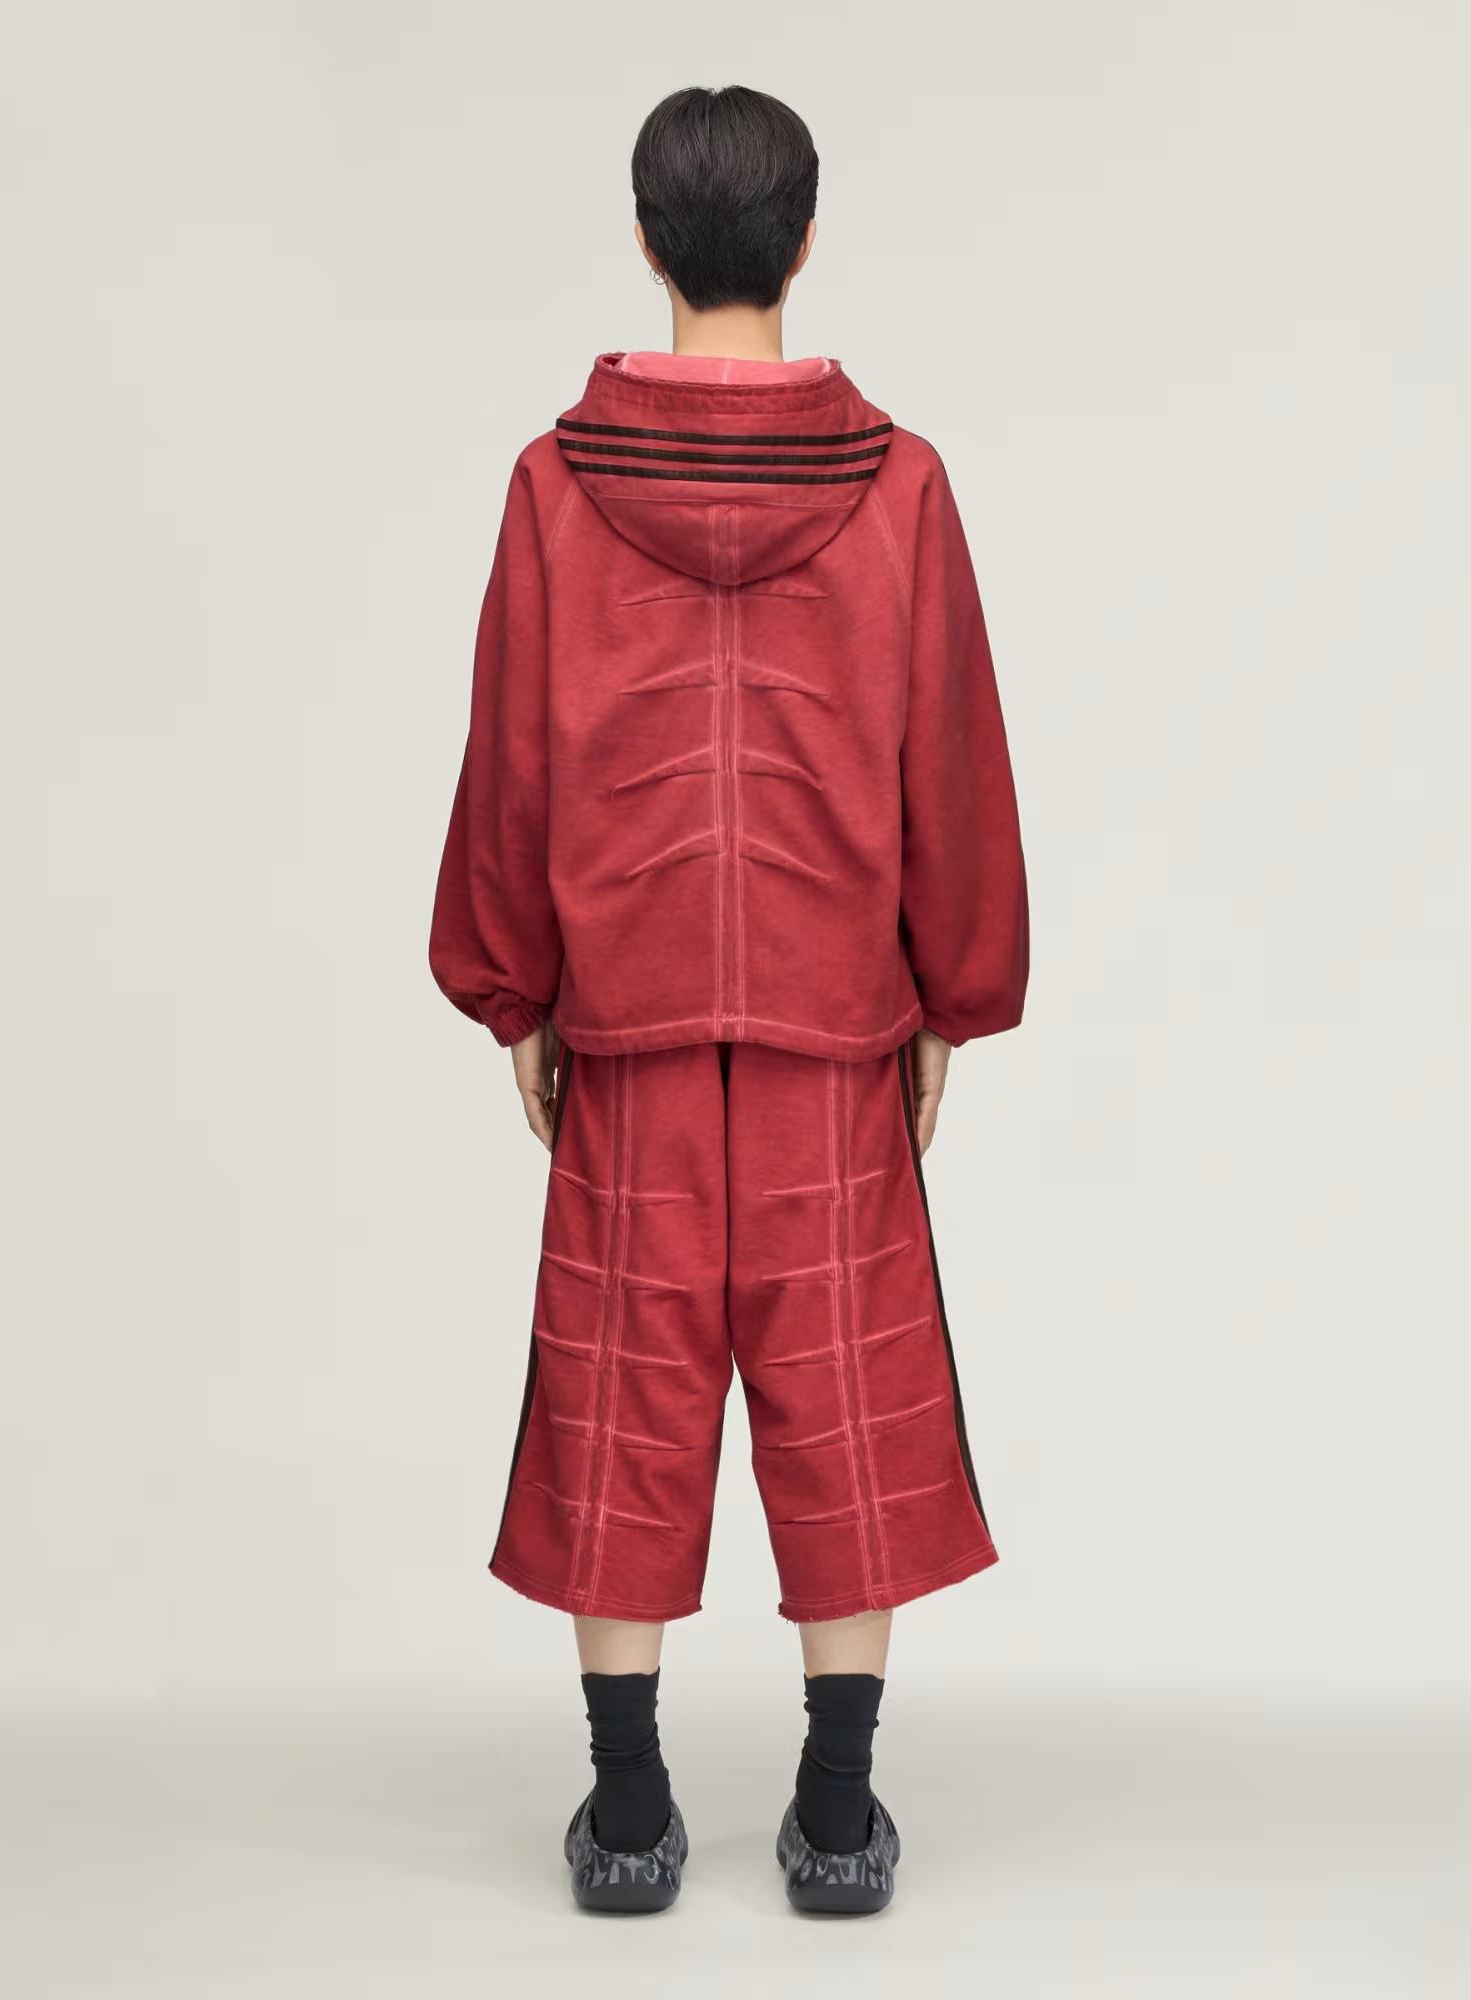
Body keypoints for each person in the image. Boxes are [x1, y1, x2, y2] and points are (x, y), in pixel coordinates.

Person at [429, 83, 1028, 1917]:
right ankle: (838, 1820)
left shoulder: (556, 486)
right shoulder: (899, 485)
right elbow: (950, 757)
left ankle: (626, 1817)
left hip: (624, 1018)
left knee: (622, 1394)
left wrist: (517, 992)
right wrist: (950, 994)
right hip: (838, 1022)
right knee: (847, 1396)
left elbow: (514, 758)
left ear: (645, 240)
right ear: (807, 239)